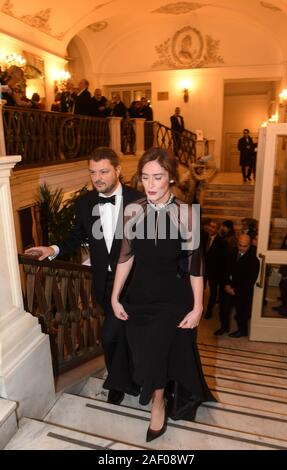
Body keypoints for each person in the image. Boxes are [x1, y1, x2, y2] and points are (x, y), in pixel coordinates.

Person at [103, 147, 215, 442]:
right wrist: (115, 297)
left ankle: (157, 402)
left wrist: (198, 307)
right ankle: (151, 390)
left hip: (173, 297)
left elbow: (195, 266)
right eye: (145, 177)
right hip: (140, 295)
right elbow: (125, 258)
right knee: (140, 348)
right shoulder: (133, 211)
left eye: (158, 177)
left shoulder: (186, 214)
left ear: (171, 179)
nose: (150, 184)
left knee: (157, 347)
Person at [25, 147, 142, 405]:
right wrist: (53, 249)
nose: (97, 177)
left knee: (112, 334)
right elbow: (76, 237)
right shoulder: (85, 203)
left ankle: (119, 382)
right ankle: (127, 378)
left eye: (103, 171)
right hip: (103, 282)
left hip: (134, 283)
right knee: (118, 333)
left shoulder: (139, 200)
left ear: (117, 170)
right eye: (92, 172)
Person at [214, 234, 260, 337]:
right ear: (237, 243)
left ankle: (242, 331)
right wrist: (226, 284)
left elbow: (250, 279)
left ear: (250, 244)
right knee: (224, 308)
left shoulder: (254, 258)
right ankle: (224, 327)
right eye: (240, 245)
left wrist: (236, 290)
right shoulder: (232, 252)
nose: (242, 248)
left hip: (242, 290)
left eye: (245, 246)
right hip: (228, 286)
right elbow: (225, 270)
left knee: (241, 312)